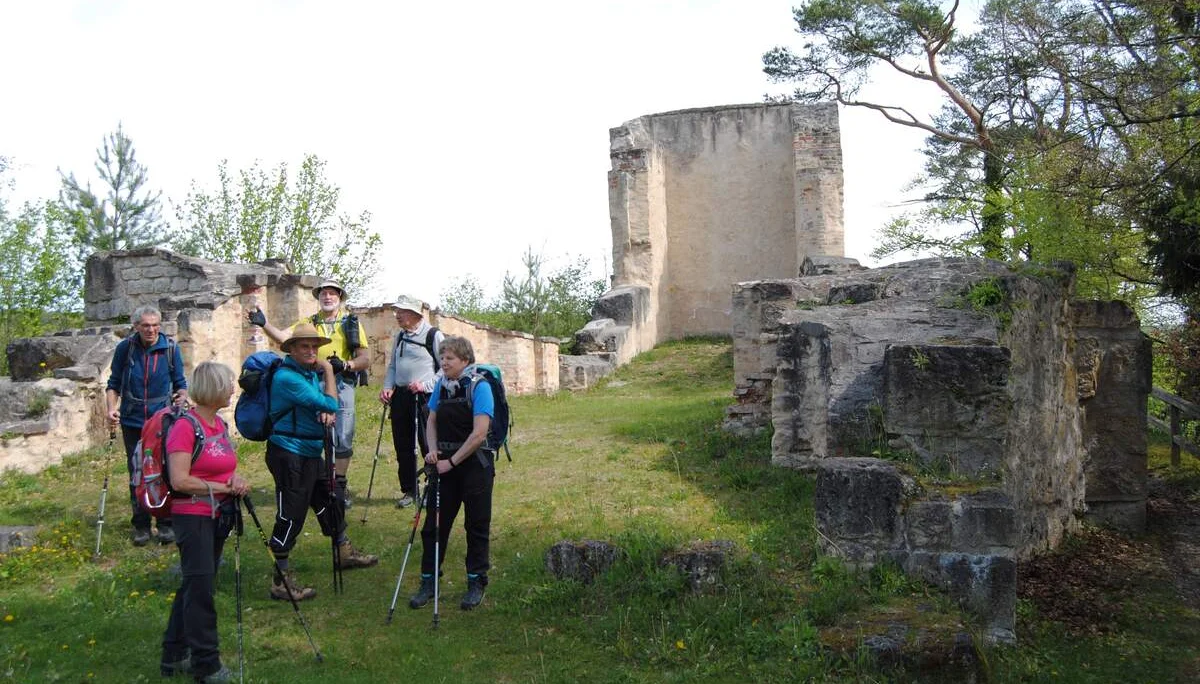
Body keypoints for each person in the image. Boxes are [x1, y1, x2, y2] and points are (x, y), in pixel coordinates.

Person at [264, 322, 377, 601]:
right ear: (291, 349)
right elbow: (329, 403)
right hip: (289, 453)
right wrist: (328, 370)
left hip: (313, 452)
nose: (312, 351)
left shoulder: (306, 374)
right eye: (305, 346)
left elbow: (325, 408)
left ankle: (343, 551)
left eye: (315, 346)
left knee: (331, 499)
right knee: (291, 513)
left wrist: (326, 411)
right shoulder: (288, 378)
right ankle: (281, 579)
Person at [160, 362, 248, 684]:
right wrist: (224, 488)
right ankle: (206, 665)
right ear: (213, 388)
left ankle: (173, 654)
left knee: (194, 585)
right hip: (193, 517)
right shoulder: (185, 426)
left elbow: (223, 465)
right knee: (201, 591)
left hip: (217, 516)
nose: (232, 389)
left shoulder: (220, 426)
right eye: (228, 383)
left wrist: (234, 479)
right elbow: (179, 479)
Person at [247, 279, 368, 508]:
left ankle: (339, 484)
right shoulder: (309, 323)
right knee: (317, 432)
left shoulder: (350, 323)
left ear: (340, 297)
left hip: (341, 382)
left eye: (332, 293)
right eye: (324, 293)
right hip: (312, 382)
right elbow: (286, 339)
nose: (328, 297)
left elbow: (365, 359)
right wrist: (264, 324)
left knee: (343, 435)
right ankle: (322, 482)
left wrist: (346, 365)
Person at [409, 335, 495, 611]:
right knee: (434, 527)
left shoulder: (479, 387)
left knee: (476, 525)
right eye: (442, 357)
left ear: (465, 361)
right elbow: (431, 421)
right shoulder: (442, 388)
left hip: (474, 466)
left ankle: (476, 581)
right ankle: (428, 581)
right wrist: (432, 451)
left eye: (450, 358)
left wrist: (452, 462)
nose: (444, 362)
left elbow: (479, 434)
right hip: (443, 464)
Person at [105, 304, 189, 546]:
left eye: (155, 325)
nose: (151, 330)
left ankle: (165, 523)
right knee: (137, 473)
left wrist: (182, 398)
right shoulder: (126, 348)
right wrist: (111, 408)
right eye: (145, 326)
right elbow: (114, 383)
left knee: (164, 470)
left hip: (162, 420)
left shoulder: (171, 349)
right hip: (132, 420)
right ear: (136, 327)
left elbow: (180, 383)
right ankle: (141, 525)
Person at [378, 294, 444, 509]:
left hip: (425, 397)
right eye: (397, 311)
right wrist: (388, 387)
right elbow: (393, 367)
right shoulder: (400, 336)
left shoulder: (433, 335)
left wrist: (425, 386)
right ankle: (409, 490)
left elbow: (445, 369)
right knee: (403, 444)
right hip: (401, 397)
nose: (397, 315)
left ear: (416, 314)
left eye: (402, 312)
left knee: (428, 443)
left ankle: (433, 487)